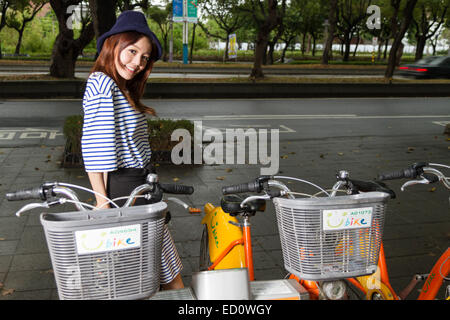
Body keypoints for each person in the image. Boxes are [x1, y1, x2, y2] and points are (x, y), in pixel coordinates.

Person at [81, 10, 183, 291]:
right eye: (132, 51)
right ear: (114, 44)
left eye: (144, 57)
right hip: (124, 191)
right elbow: (95, 148)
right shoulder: (102, 83)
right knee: (153, 275)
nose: (137, 62)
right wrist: (102, 204)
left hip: (139, 186)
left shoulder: (121, 87)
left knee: (157, 271)